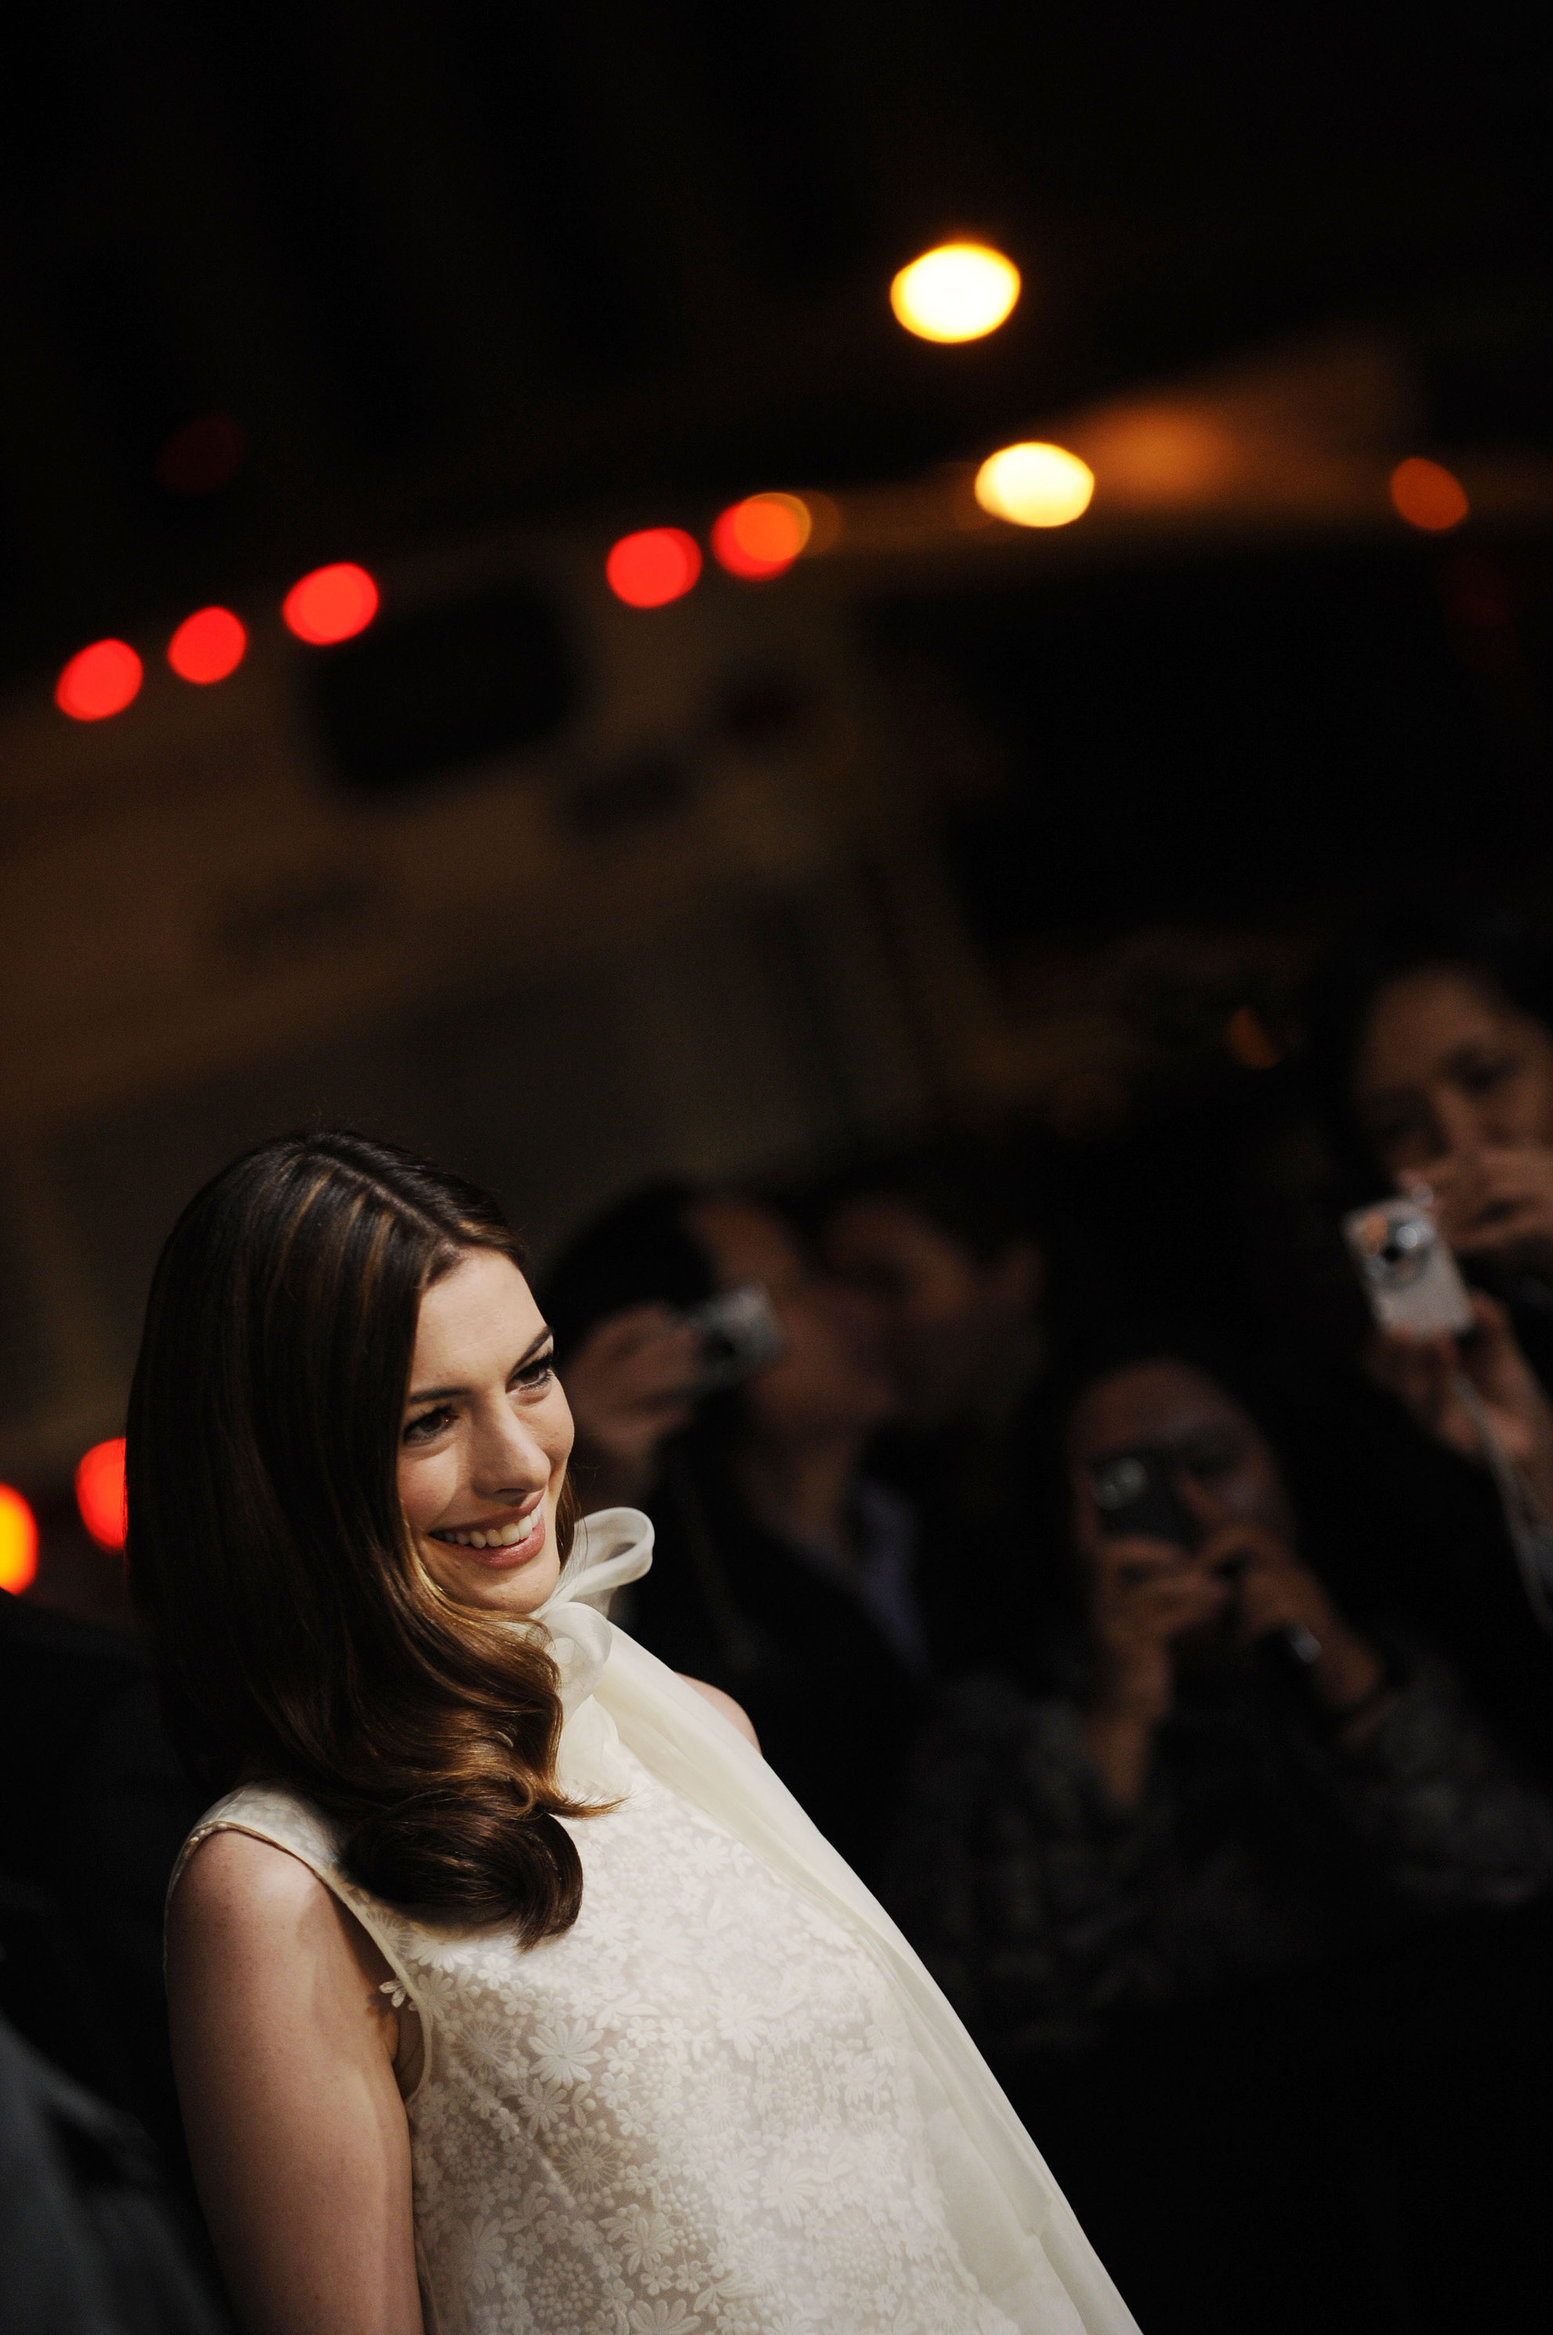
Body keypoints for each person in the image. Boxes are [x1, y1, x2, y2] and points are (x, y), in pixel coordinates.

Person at [132, 1130, 1137, 2335]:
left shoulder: (687, 1729)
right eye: (425, 1421)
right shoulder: (274, 1886)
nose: (518, 1461)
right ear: (280, 1482)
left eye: (531, 1373)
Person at [888, 1333, 1553, 2334]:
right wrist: (1114, 1718)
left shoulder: (1388, 1630)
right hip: (1199, 2223)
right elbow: (1016, 2014)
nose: (1190, 1513)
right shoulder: (991, 1721)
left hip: (1463, 2186)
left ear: (1278, 1465)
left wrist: (1340, 1670)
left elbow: (1505, 1878)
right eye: (1127, 1485)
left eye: (1212, 1466)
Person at [543, 1180, 925, 1879]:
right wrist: (584, 1486)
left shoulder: (921, 1513)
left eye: (817, 1274)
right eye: (781, 1294)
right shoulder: (677, 1599)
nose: (846, 1308)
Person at [1305, 896, 1553, 1773]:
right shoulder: (1421, 1379)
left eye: (1486, 1077)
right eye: (1400, 1126)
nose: (1458, 1144)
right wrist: (1532, 1472)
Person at [818, 1135, 1053, 1671]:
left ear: (1013, 1276)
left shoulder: (1109, 1428)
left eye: (890, 1284)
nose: (862, 1323)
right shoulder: (899, 1483)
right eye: (841, 1290)